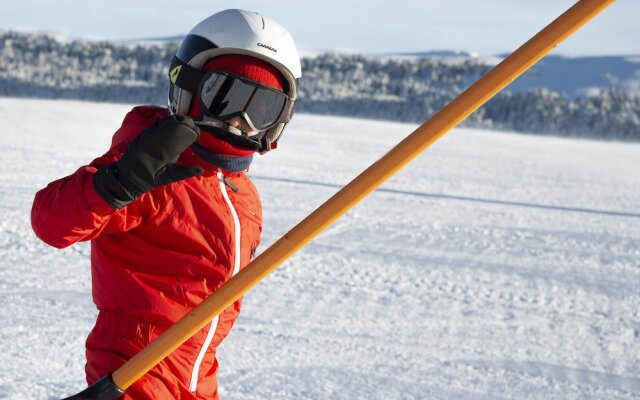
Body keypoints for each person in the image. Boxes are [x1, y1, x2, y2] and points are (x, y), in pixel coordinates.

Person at [31, 9, 301, 399]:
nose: (241, 120)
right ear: (190, 90)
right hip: (134, 370)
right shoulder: (153, 167)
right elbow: (50, 222)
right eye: (225, 97)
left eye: (261, 109)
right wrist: (119, 181)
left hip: (198, 375)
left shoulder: (243, 195)